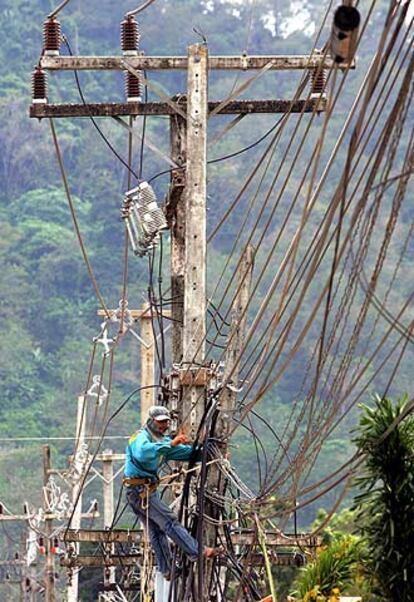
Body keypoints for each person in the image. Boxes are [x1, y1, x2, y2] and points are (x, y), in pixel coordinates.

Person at [123, 405, 219, 580]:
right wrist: (169, 444)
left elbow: (185, 453)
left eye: (166, 422)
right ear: (151, 421)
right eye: (160, 422)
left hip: (145, 492)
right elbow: (143, 453)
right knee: (169, 521)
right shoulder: (139, 437)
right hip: (139, 492)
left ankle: (167, 569)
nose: (164, 426)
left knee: (157, 530)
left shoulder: (162, 442)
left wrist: (206, 451)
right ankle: (196, 552)